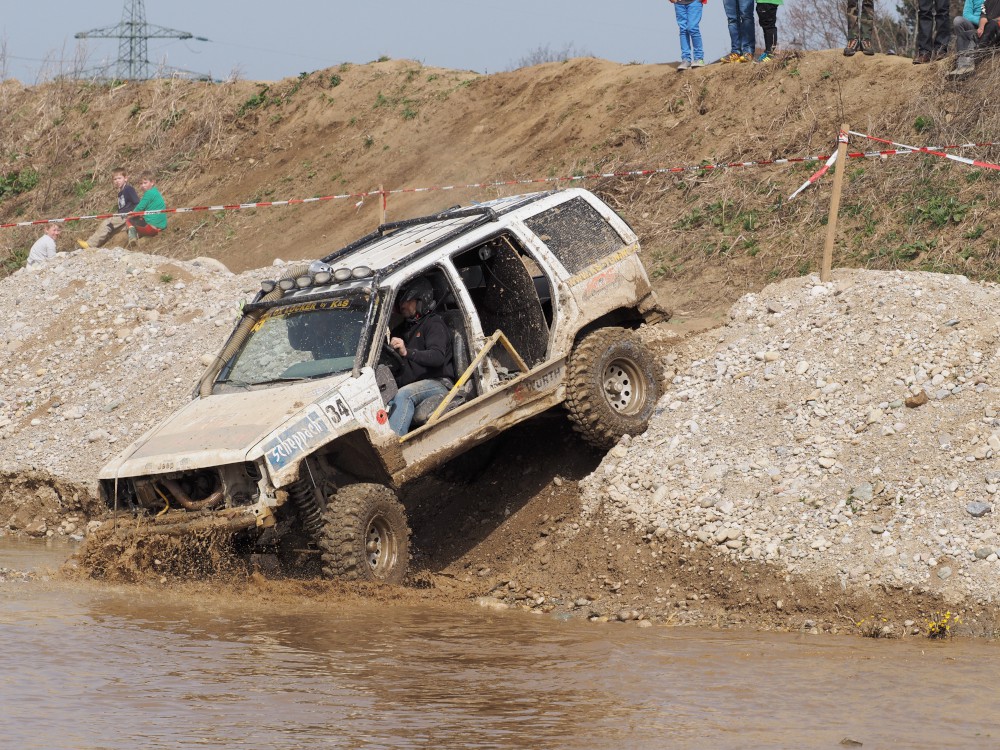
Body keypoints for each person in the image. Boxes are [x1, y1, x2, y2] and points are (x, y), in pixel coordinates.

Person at [385, 277, 454, 436]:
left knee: (404, 395)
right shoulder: (400, 330)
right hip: (412, 384)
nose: (402, 306)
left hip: (437, 382)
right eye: (400, 302)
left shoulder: (433, 324)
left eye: (407, 301)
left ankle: (395, 443)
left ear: (421, 300)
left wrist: (407, 352)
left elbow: (437, 357)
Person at [76, 167, 139, 249]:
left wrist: (134, 212)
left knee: (107, 223)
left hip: (126, 215)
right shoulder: (120, 193)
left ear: (126, 178)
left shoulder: (128, 189)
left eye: (119, 178)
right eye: (115, 179)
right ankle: (95, 247)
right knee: (111, 232)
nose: (117, 181)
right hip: (122, 216)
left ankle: (90, 244)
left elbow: (137, 202)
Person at [949, 0, 999, 76]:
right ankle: (964, 66)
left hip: (995, 28)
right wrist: (982, 27)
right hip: (982, 27)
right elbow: (983, 16)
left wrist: (988, 23)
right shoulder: (986, 3)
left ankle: (977, 56)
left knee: (992, 24)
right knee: (964, 35)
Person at [125, 170, 167, 246]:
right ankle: (139, 234)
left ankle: (132, 238)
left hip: (151, 227)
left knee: (129, 220)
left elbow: (139, 208)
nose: (143, 185)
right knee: (140, 217)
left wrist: (131, 214)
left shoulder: (148, 193)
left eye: (145, 183)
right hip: (162, 226)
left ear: (152, 182)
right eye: (141, 183)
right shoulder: (156, 192)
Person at [671, 0, 707, 70]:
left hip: (694, 2)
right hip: (679, 3)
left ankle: (699, 58)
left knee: (693, 28)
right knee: (683, 30)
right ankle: (686, 59)